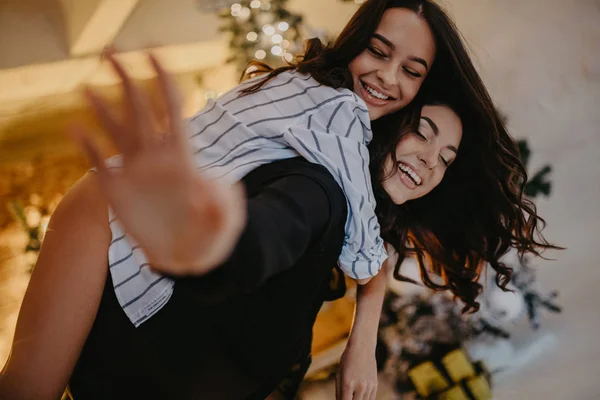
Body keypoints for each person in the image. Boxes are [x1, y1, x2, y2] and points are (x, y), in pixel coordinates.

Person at [0, 1, 555, 399]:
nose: (387, 76)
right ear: (356, 42)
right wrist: (211, 244)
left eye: (412, 70)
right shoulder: (333, 132)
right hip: (108, 209)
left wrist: (363, 337)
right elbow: (283, 222)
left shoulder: (348, 149)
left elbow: (373, 244)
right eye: (378, 52)